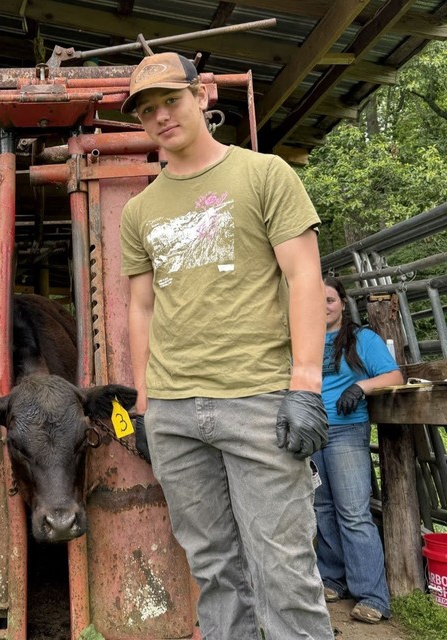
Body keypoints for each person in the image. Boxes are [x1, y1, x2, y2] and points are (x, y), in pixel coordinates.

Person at [119, 52, 334, 639]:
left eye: (171, 100)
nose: (161, 116)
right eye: (147, 110)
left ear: (202, 96)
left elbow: (304, 279)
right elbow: (141, 308)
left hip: (260, 400)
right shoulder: (139, 211)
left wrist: (306, 386)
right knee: (214, 571)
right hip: (174, 412)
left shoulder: (264, 174)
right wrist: (143, 404)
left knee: (284, 571)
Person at [314, 276, 402, 624]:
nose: (323, 306)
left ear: (342, 303)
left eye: (330, 300)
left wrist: (361, 387)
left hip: (346, 430)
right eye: (316, 299)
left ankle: (373, 595)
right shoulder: (301, 339)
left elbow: (393, 376)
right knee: (322, 508)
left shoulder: (361, 339)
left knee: (353, 511)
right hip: (313, 433)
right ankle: (334, 580)